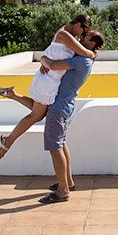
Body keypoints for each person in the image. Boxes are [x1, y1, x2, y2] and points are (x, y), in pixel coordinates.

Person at [0, 14, 95, 159]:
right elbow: (86, 53)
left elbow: (50, 53)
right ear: (78, 24)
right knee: (36, 116)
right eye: (84, 31)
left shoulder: (64, 34)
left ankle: (12, 95)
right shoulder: (64, 35)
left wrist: (44, 61)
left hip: (50, 79)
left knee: (39, 113)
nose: (82, 35)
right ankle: (8, 140)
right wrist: (93, 53)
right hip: (48, 81)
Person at [38, 29, 105, 204]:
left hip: (59, 106)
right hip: (65, 105)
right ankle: (68, 182)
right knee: (61, 143)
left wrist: (43, 59)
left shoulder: (82, 60)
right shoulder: (84, 58)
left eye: (86, 36)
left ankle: (62, 191)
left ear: (92, 44)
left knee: (55, 147)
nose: (82, 37)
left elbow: (52, 65)